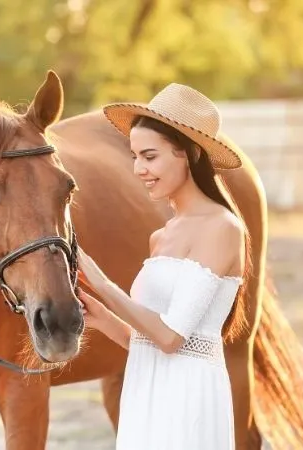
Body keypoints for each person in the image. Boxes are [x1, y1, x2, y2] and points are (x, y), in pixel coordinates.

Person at [76, 83, 250, 449]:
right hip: (145, 387)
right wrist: (101, 317)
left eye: (150, 156)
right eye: (135, 156)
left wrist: (104, 286)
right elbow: (146, 341)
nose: (138, 169)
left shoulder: (222, 228)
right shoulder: (161, 236)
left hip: (189, 398)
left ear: (186, 154)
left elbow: (172, 338)